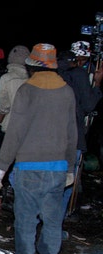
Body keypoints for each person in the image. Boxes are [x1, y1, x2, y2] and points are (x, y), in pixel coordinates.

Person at [0, 43, 77, 254]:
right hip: (58, 168)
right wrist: (70, 167)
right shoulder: (67, 91)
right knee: (52, 221)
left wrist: (2, 166)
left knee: (26, 221)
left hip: (28, 168)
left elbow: (15, 132)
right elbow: (72, 134)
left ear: (31, 65)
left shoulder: (27, 90)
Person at [57, 48, 103, 228]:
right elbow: (89, 105)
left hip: (48, 139)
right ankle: (55, 228)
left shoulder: (50, 76)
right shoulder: (78, 75)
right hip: (72, 138)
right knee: (66, 185)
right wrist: (97, 85)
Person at [0, 45, 30, 192]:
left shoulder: (6, 78)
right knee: (19, 164)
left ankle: (1, 193)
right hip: (28, 130)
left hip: (9, 128)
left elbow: (3, 107)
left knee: (2, 162)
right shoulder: (32, 79)